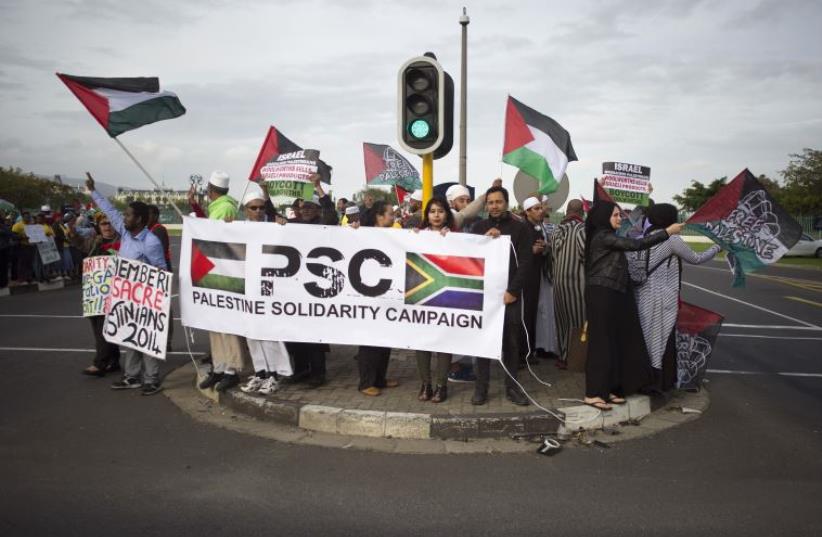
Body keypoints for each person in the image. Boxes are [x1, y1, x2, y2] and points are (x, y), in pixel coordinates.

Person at [583, 200, 684, 410]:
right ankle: (593, 392)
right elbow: (636, 244)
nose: (620, 218)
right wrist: (667, 232)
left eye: (620, 215)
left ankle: (609, 389)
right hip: (601, 294)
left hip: (613, 294)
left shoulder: (608, 236)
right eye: (615, 215)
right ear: (603, 218)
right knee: (601, 344)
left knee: (614, 343)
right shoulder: (603, 236)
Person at [86, 172, 167, 395]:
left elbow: (161, 271)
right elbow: (110, 211)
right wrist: (93, 191)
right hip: (126, 297)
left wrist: (152, 295)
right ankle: (132, 376)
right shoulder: (125, 232)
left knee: (146, 338)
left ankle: (151, 378)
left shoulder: (150, 242)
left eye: (129, 215)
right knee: (130, 336)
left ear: (139, 219)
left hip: (145, 298)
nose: (124, 218)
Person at [628, 203, 720, 392]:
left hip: (642, 293)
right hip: (662, 296)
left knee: (645, 338)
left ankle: (640, 379)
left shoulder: (645, 237)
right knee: (658, 340)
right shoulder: (671, 239)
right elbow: (696, 258)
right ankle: (653, 383)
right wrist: (717, 248)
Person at [470, 185, 532, 406]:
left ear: (506, 203)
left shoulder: (520, 228)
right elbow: (470, 259)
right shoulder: (478, 227)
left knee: (511, 345)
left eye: (498, 202)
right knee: (483, 343)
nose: (494, 206)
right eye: (490, 202)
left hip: (509, 296)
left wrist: (513, 291)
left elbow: (526, 263)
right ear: (486, 204)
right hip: (484, 297)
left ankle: (512, 388)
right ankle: (481, 389)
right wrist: (484, 242)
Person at [282, 173, 338, 388]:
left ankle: (318, 374)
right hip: (295, 285)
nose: (305, 210)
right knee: (295, 333)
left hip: (317, 286)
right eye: (303, 207)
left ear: (316, 210)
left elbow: (331, 213)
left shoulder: (324, 223)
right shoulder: (292, 224)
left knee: (315, 335)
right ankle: (301, 370)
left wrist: (317, 185)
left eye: (310, 207)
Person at [237, 188, 294, 395]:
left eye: (261, 207)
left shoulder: (274, 227)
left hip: (268, 286)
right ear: (246, 210)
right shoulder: (238, 228)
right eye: (254, 208)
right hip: (247, 286)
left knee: (269, 332)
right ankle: (260, 372)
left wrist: (283, 226)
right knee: (251, 332)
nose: (258, 211)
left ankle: (274, 375)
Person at [197, 171, 250, 393]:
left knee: (227, 327)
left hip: (226, 276)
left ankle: (232, 370)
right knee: (215, 326)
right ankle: (219, 367)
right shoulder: (217, 208)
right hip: (213, 274)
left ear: (211, 190)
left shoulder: (225, 208)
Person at [355, 200, 399, 396]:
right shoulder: (363, 234)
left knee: (384, 340)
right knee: (369, 341)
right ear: (379, 217)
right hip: (368, 295)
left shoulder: (392, 235)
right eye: (390, 214)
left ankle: (379, 379)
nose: (393, 217)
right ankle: (366, 383)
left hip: (385, 295)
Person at [412, 197, 454, 403]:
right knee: (422, 341)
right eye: (432, 211)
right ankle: (425, 383)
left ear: (447, 214)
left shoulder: (456, 237)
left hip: (445, 296)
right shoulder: (416, 235)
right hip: (421, 294)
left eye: (440, 211)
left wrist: (452, 241)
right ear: (426, 215)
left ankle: (441, 385)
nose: (436, 215)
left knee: (444, 341)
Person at [77, 213, 122, 377]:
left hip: (113, 291)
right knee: (99, 326)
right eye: (103, 224)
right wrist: (71, 231)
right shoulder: (93, 241)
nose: (107, 227)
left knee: (103, 327)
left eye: (110, 223)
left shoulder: (122, 241)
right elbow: (80, 245)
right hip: (95, 292)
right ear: (98, 226)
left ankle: (100, 363)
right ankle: (114, 360)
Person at [521, 196, 558, 365]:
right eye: (535, 208)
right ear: (527, 212)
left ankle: (530, 351)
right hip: (525, 279)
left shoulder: (538, 227)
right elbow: (516, 251)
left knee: (533, 315)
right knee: (525, 315)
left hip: (537, 276)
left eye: (540, 208)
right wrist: (532, 250)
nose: (540, 211)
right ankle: (522, 354)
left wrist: (544, 248)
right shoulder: (522, 227)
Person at [551, 199, 587, 368]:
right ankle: (576, 358)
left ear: (566, 212)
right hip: (577, 285)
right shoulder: (582, 229)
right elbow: (586, 256)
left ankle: (563, 356)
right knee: (578, 321)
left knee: (562, 322)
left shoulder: (557, 229)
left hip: (558, 285)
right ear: (582, 213)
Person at [11, 211, 35, 285]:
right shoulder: (18, 225)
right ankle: (22, 279)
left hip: (30, 246)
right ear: (22, 217)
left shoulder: (32, 225)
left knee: (29, 262)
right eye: (25, 216)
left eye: (28, 216)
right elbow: (13, 236)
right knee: (22, 263)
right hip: (22, 246)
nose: (27, 218)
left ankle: (29, 278)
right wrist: (22, 237)